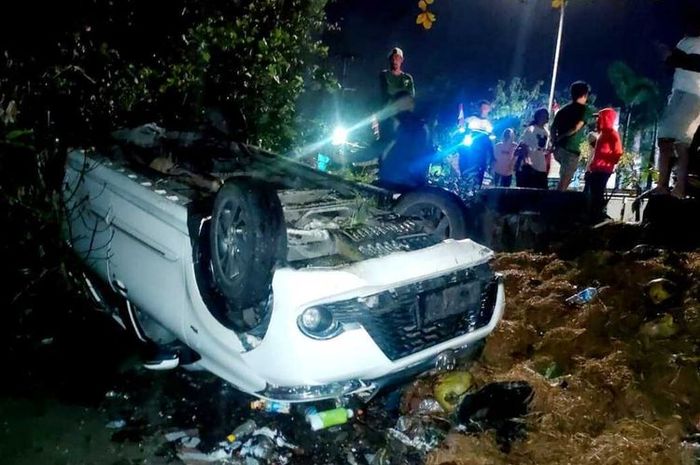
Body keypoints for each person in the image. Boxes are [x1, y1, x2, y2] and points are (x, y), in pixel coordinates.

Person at [655, 13, 700, 198]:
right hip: (678, 92)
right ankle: (664, 185)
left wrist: (671, 57)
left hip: (693, 94)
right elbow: (675, 65)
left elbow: (695, 63)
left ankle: (677, 187)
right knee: (667, 140)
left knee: (678, 141)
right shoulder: (683, 41)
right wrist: (669, 58)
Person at [377, 91, 433, 191]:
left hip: (391, 179)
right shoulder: (423, 126)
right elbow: (426, 151)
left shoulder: (393, 122)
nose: (411, 104)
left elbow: (380, 149)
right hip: (414, 181)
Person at [551, 81, 594, 191]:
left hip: (559, 149)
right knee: (565, 181)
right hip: (571, 150)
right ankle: (554, 200)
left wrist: (554, 142)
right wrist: (562, 136)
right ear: (585, 95)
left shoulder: (563, 110)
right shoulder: (585, 109)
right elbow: (576, 128)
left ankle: (555, 198)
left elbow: (553, 128)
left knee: (564, 177)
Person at [584, 108, 623, 220]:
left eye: (600, 118)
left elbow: (618, 152)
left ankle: (597, 214)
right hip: (596, 169)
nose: (598, 120)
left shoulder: (612, 134)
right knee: (594, 192)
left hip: (603, 169)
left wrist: (608, 161)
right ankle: (594, 214)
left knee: (597, 192)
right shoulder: (602, 134)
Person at [518, 108, 551, 189]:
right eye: (544, 116)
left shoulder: (546, 132)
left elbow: (546, 149)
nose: (546, 118)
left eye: (547, 116)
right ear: (539, 117)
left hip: (541, 165)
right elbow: (524, 145)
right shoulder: (531, 129)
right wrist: (526, 161)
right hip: (530, 164)